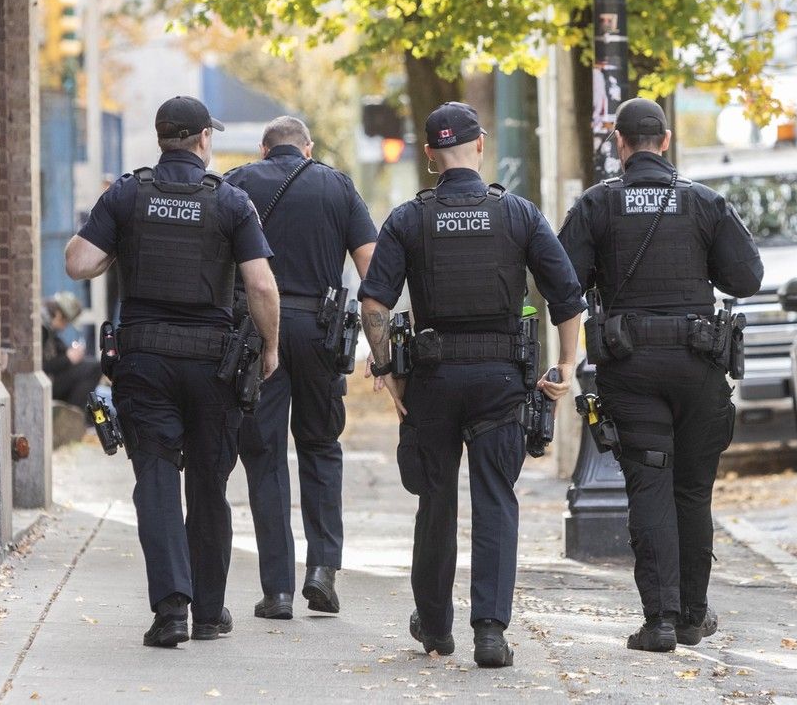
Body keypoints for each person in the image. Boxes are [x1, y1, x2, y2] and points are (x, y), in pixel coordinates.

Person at [358, 102, 585, 667]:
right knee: (494, 501)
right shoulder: (518, 215)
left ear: (431, 156)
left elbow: (374, 303)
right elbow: (567, 296)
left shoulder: (409, 218)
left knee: (435, 502)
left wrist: (390, 375)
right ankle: (490, 631)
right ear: (479, 145)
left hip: (433, 380)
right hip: (500, 381)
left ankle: (435, 627)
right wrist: (567, 367)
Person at [64, 95, 280, 648]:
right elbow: (259, 285)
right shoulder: (230, 202)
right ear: (204, 139)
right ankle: (209, 612)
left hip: (144, 362)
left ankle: (171, 611)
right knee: (209, 481)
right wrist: (272, 348)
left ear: (162, 139)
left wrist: (118, 246)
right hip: (213, 366)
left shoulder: (128, 195)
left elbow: (78, 261)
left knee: (156, 480)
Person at [557, 97, 763, 652]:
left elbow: (561, 282)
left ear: (619, 143)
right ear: (665, 142)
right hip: (699, 367)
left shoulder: (597, 206)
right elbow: (747, 276)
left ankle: (661, 622)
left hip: (632, 370)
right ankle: (694, 616)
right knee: (693, 492)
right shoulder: (704, 203)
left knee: (649, 488)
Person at [224, 116, 377, 620]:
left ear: (264, 147)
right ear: (307, 149)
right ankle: (323, 569)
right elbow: (371, 266)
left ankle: (278, 591)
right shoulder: (337, 185)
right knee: (320, 446)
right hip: (320, 329)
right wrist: (382, 346)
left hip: (255, 332)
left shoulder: (238, 184)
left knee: (264, 454)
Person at [41, 291, 102, 408]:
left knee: (93, 365)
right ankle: (74, 413)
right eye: (66, 322)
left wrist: (70, 354)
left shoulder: (48, 328)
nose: (64, 327)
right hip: (47, 383)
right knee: (93, 368)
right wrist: (68, 358)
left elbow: (58, 349)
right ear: (58, 315)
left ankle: (76, 414)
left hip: (51, 380)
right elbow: (42, 366)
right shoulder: (41, 329)